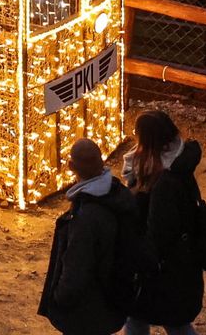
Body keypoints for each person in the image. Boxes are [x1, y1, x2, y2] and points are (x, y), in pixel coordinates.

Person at [38, 138, 139, 335]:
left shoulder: (86, 215)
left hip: (86, 310)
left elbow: (76, 264)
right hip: (112, 299)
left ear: (70, 166)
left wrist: (60, 296)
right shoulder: (119, 194)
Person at [123, 110, 206, 335]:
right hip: (182, 264)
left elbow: (159, 232)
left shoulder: (162, 182)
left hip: (161, 268)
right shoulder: (180, 164)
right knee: (172, 322)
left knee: (141, 317)